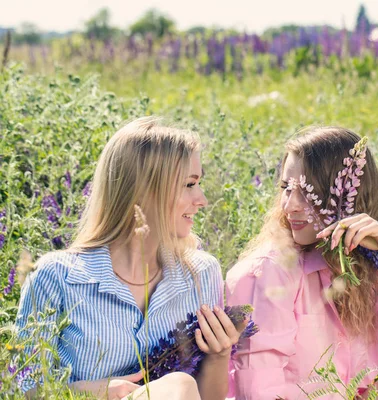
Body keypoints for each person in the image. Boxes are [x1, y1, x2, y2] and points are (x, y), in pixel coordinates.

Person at [225, 126, 378, 399]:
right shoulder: (267, 272)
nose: (290, 205)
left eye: (307, 192)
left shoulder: (370, 264)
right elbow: (257, 391)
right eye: (285, 188)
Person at [16, 117, 241, 400]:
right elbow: (22, 388)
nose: (202, 199)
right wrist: (94, 392)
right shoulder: (57, 276)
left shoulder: (202, 273)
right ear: (145, 189)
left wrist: (220, 355)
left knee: (181, 386)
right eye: (189, 184)